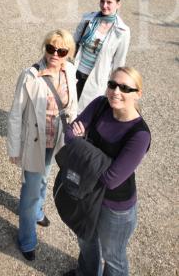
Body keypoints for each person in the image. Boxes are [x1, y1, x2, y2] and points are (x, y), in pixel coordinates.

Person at [63, 67, 151, 276]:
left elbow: (110, 179)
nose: (115, 91)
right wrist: (85, 147)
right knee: (85, 239)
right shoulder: (100, 104)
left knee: (113, 257)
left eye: (124, 88)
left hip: (115, 207)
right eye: (112, 84)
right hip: (86, 192)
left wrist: (82, 142)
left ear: (138, 93)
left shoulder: (139, 135)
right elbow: (68, 134)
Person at [7, 29, 78, 261]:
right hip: (34, 142)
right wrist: (14, 148)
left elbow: (72, 107)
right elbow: (16, 114)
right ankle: (27, 238)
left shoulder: (70, 71)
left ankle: (38, 212)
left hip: (55, 141)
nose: (55, 54)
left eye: (61, 51)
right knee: (29, 191)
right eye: (50, 48)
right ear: (45, 48)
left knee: (46, 178)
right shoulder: (29, 76)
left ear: (69, 53)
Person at [74, 0, 130, 112]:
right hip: (77, 72)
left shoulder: (123, 31)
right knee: (67, 109)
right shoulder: (88, 19)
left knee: (85, 115)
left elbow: (119, 63)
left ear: (118, 4)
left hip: (97, 79)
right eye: (102, 1)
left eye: (109, 2)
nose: (104, 6)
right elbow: (74, 42)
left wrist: (114, 87)